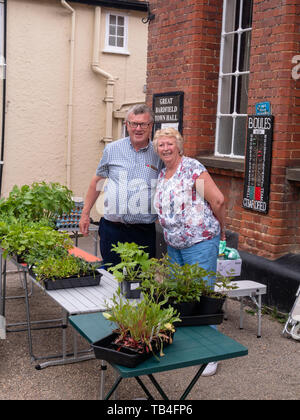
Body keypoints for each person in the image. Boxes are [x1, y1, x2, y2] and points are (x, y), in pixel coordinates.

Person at [152, 127, 226, 377]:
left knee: (205, 296)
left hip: (200, 242)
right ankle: (187, 345)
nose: (165, 148)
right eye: (161, 145)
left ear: (178, 145)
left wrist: (222, 230)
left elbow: (218, 201)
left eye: (169, 144)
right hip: (175, 245)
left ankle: (211, 354)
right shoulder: (163, 173)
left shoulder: (192, 167)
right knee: (181, 295)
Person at [79, 104, 163, 267]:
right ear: (127, 125)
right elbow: (97, 182)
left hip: (143, 231)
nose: (138, 128)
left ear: (151, 126)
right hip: (113, 229)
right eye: (133, 124)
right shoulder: (112, 149)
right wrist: (85, 213)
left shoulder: (159, 153)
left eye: (143, 124)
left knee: (141, 279)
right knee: (111, 275)